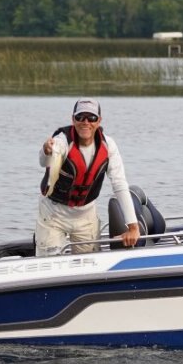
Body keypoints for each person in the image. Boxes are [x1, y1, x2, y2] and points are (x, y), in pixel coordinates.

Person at [35, 98, 140, 256]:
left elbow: (119, 184)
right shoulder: (61, 141)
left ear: (99, 121)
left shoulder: (108, 146)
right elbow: (43, 162)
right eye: (80, 117)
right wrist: (46, 150)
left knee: (90, 261)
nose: (85, 122)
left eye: (91, 117)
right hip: (53, 214)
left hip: (86, 215)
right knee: (49, 264)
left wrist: (133, 226)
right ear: (73, 119)